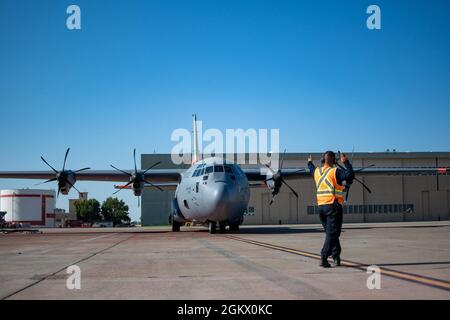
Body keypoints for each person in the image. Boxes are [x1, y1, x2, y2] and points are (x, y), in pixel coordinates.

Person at [308, 151, 354, 268]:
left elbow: (311, 169)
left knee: (331, 234)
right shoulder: (335, 171)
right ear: (333, 160)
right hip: (333, 206)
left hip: (321, 207)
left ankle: (336, 257)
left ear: (323, 160)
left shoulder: (317, 172)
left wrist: (309, 162)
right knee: (333, 233)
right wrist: (346, 162)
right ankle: (324, 256)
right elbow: (349, 176)